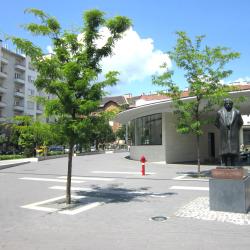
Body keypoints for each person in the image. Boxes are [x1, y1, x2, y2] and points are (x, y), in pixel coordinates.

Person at [215, 98, 243, 167]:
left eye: (230, 104)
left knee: (233, 151)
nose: (228, 105)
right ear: (224, 104)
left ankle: (234, 164)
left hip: (233, 135)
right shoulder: (219, 112)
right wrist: (222, 128)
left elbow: (240, 123)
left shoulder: (237, 112)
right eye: (226, 103)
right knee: (224, 151)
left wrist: (235, 130)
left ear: (232, 104)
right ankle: (223, 163)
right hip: (223, 134)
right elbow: (216, 123)